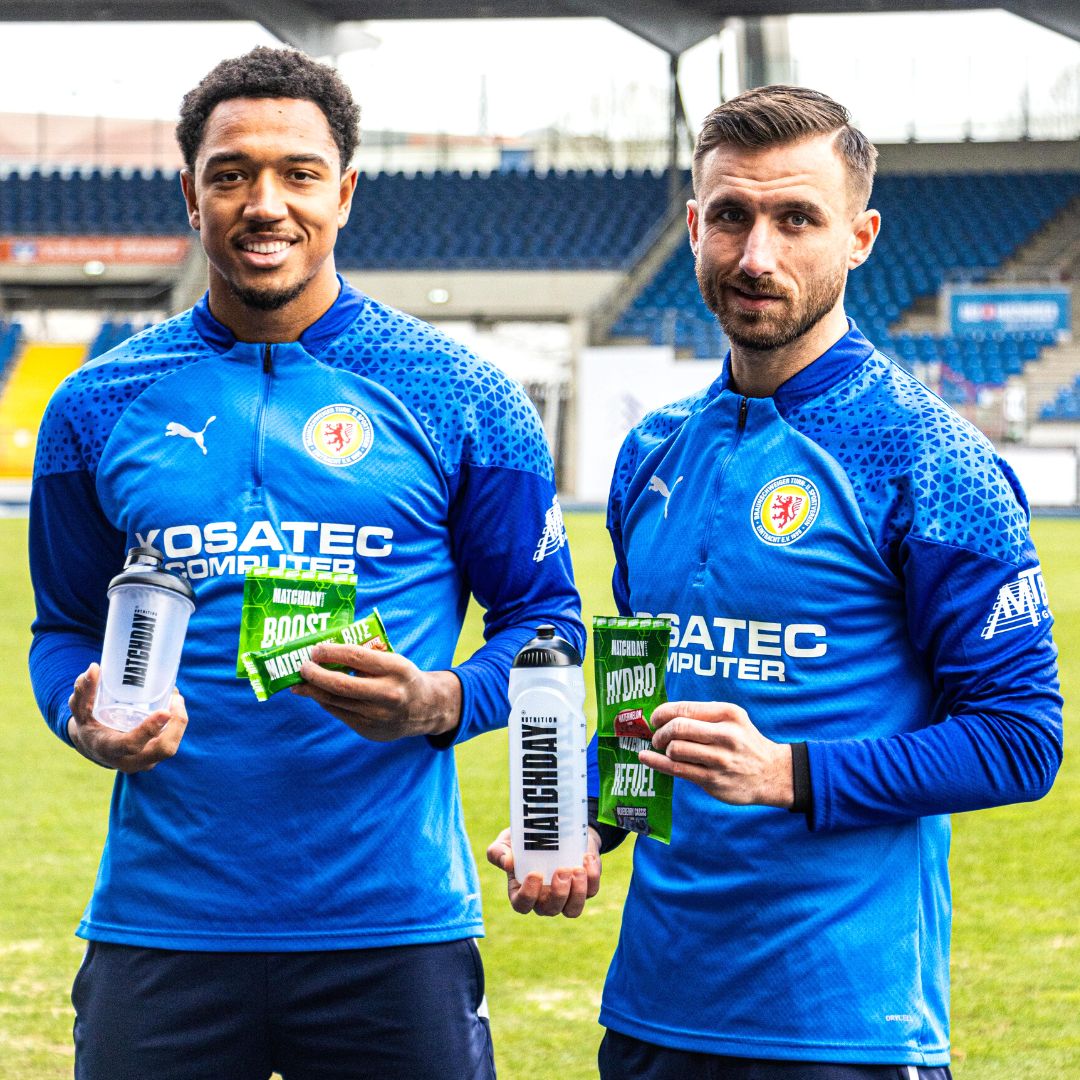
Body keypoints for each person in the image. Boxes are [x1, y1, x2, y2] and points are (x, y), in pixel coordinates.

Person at [29, 46, 583, 1080]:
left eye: (298, 173)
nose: (264, 203)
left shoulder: (462, 393)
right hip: (164, 924)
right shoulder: (94, 405)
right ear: (190, 195)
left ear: (346, 192)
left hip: (393, 925)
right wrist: (81, 712)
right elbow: (62, 627)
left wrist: (440, 701)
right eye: (231, 174)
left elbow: (548, 624)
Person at [488, 85, 1062, 1078]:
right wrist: (582, 817)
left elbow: (1022, 740)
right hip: (655, 1013)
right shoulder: (651, 453)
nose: (757, 255)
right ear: (694, 227)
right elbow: (642, 708)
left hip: (844, 1026)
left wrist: (790, 772)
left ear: (860, 237)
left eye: (797, 218)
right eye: (731, 217)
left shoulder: (930, 460)